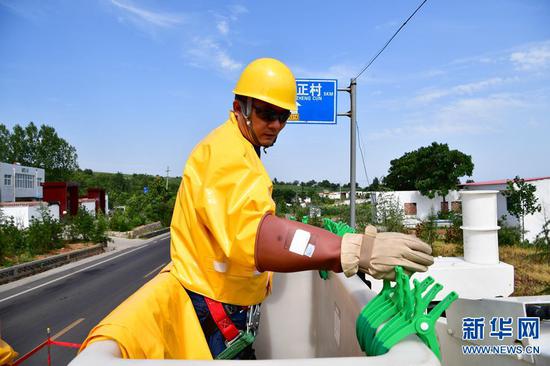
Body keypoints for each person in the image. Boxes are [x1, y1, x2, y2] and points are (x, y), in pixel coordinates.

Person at [79, 57, 433, 360]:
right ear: (239, 107)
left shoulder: (240, 150)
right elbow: (256, 236)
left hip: (223, 308)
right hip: (215, 312)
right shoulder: (226, 155)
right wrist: (351, 249)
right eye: (266, 114)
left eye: (282, 116)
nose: (276, 125)